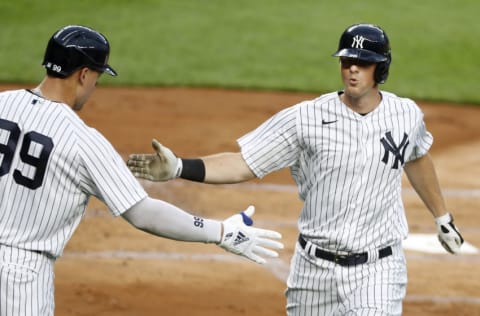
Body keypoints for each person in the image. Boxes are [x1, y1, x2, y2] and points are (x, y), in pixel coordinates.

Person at [127, 23, 465, 315]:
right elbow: (244, 163)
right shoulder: (304, 118)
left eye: (363, 63)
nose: (352, 70)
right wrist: (179, 167)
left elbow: (417, 156)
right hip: (312, 271)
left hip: (378, 269)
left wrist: (442, 217)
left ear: (381, 69)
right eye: (348, 61)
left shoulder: (406, 115)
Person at [0, 25, 284, 315]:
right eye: (97, 77)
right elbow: (143, 213)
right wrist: (221, 232)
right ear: (84, 74)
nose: (95, 86)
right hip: (19, 281)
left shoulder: (2, 103)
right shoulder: (82, 140)